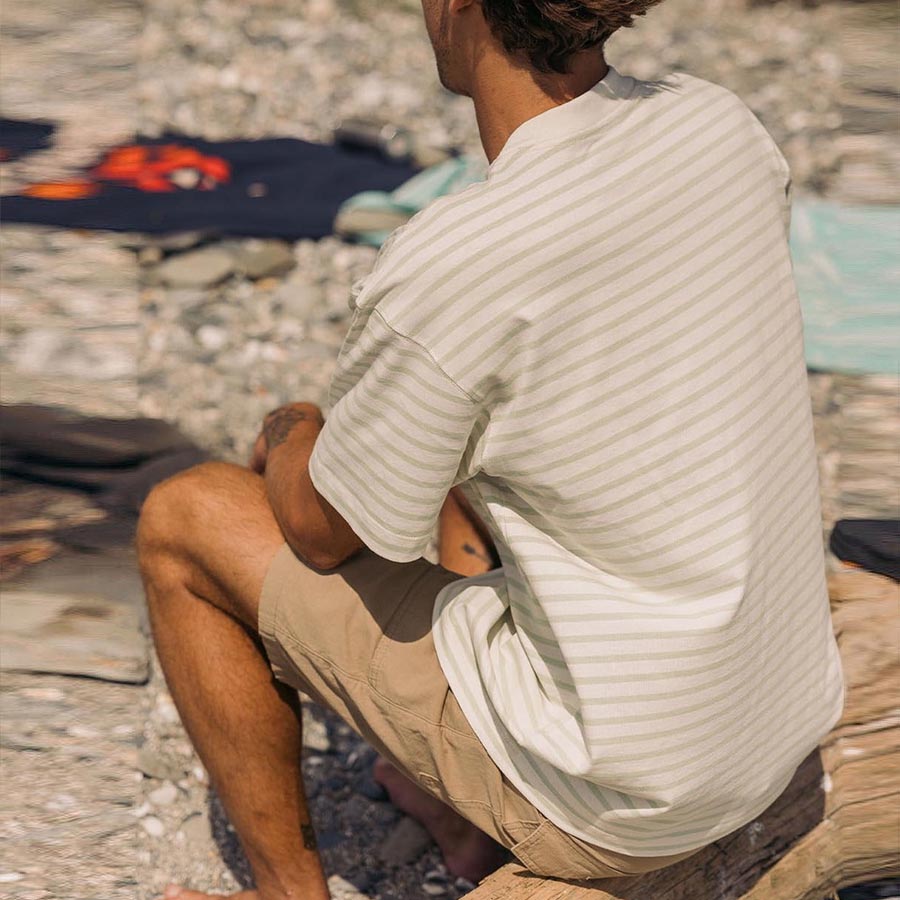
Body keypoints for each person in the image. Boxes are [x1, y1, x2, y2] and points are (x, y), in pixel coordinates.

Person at [135, 0, 847, 897]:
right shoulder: (719, 125)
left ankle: (288, 891)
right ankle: (456, 811)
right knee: (457, 420)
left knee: (183, 516)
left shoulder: (461, 262)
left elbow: (322, 535)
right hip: (776, 725)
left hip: (623, 799)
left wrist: (292, 426)